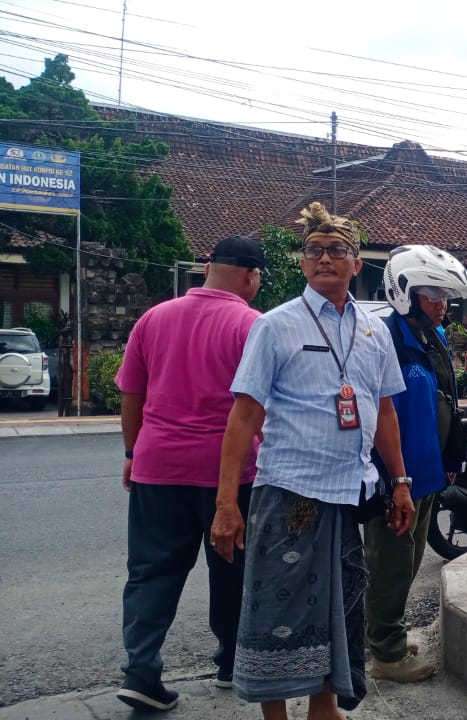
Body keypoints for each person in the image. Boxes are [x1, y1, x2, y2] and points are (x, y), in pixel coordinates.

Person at [211, 202, 413, 720]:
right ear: (302, 263)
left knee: (339, 609)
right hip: (288, 492)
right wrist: (226, 503)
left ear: (356, 263)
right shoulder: (274, 326)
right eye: (315, 250)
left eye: (337, 250)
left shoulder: (374, 331)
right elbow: (244, 416)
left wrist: (401, 481)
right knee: (275, 609)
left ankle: (324, 710)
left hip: (349, 493)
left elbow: (385, 412)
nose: (325, 258)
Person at [112, 236, 265, 712]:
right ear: (252, 276)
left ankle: (141, 672)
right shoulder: (252, 325)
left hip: (157, 466)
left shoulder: (154, 318)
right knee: (233, 569)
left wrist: (132, 452)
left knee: (151, 570)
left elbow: (131, 393)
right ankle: (231, 662)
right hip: (231, 473)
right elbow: (260, 407)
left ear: (207, 268)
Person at [365, 245, 467, 682]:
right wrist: (394, 480)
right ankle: (387, 656)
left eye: (445, 297)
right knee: (389, 565)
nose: (442, 305)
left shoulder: (433, 337)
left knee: (408, 562)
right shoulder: (383, 338)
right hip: (397, 478)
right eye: (433, 296)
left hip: (426, 473)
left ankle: (380, 633)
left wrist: (450, 457)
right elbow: (378, 414)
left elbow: (445, 402)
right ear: (404, 292)